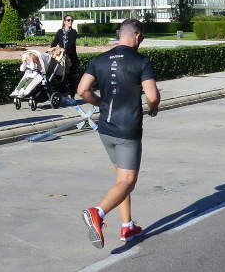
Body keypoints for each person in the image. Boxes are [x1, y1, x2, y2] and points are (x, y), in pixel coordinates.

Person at [78, 18, 160, 249]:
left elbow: (82, 89)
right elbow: (152, 96)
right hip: (127, 129)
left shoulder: (99, 59)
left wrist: (101, 103)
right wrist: (153, 108)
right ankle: (98, 212)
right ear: (137, 35)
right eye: (142, 38)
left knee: (121, 179)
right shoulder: (141, 61)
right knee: (128, 181)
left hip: (105, 128)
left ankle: (127, 226)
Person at [51, 15, 79, 98]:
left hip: (71, 58)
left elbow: (71, 43)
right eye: (68, 20)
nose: (70, 22)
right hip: (61, 58)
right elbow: (54, 42)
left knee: (71, 77)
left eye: (71, 20)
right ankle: (64, 94)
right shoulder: (60, 32)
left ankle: (72, 96)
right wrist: (51, 48)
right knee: (59, 76)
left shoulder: (73, 32)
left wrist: (65, 49)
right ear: (64, 22)